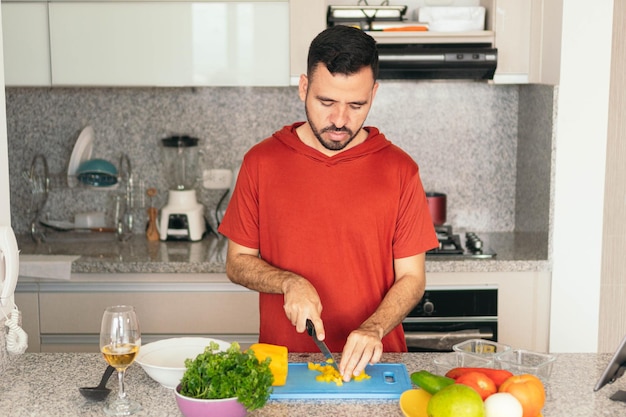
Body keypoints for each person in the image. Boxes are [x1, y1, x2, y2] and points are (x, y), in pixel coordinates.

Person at [217, 25, 438, 381]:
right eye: (326, 102)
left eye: (356, 105)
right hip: (285, 369)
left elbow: (412, 278)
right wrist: (288, 282)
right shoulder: (261, 162)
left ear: (374, 94)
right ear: (304, 87)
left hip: (377, 368)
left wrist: (375, 328)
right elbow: (237, 262)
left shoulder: (400, 170)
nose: (339, 120)